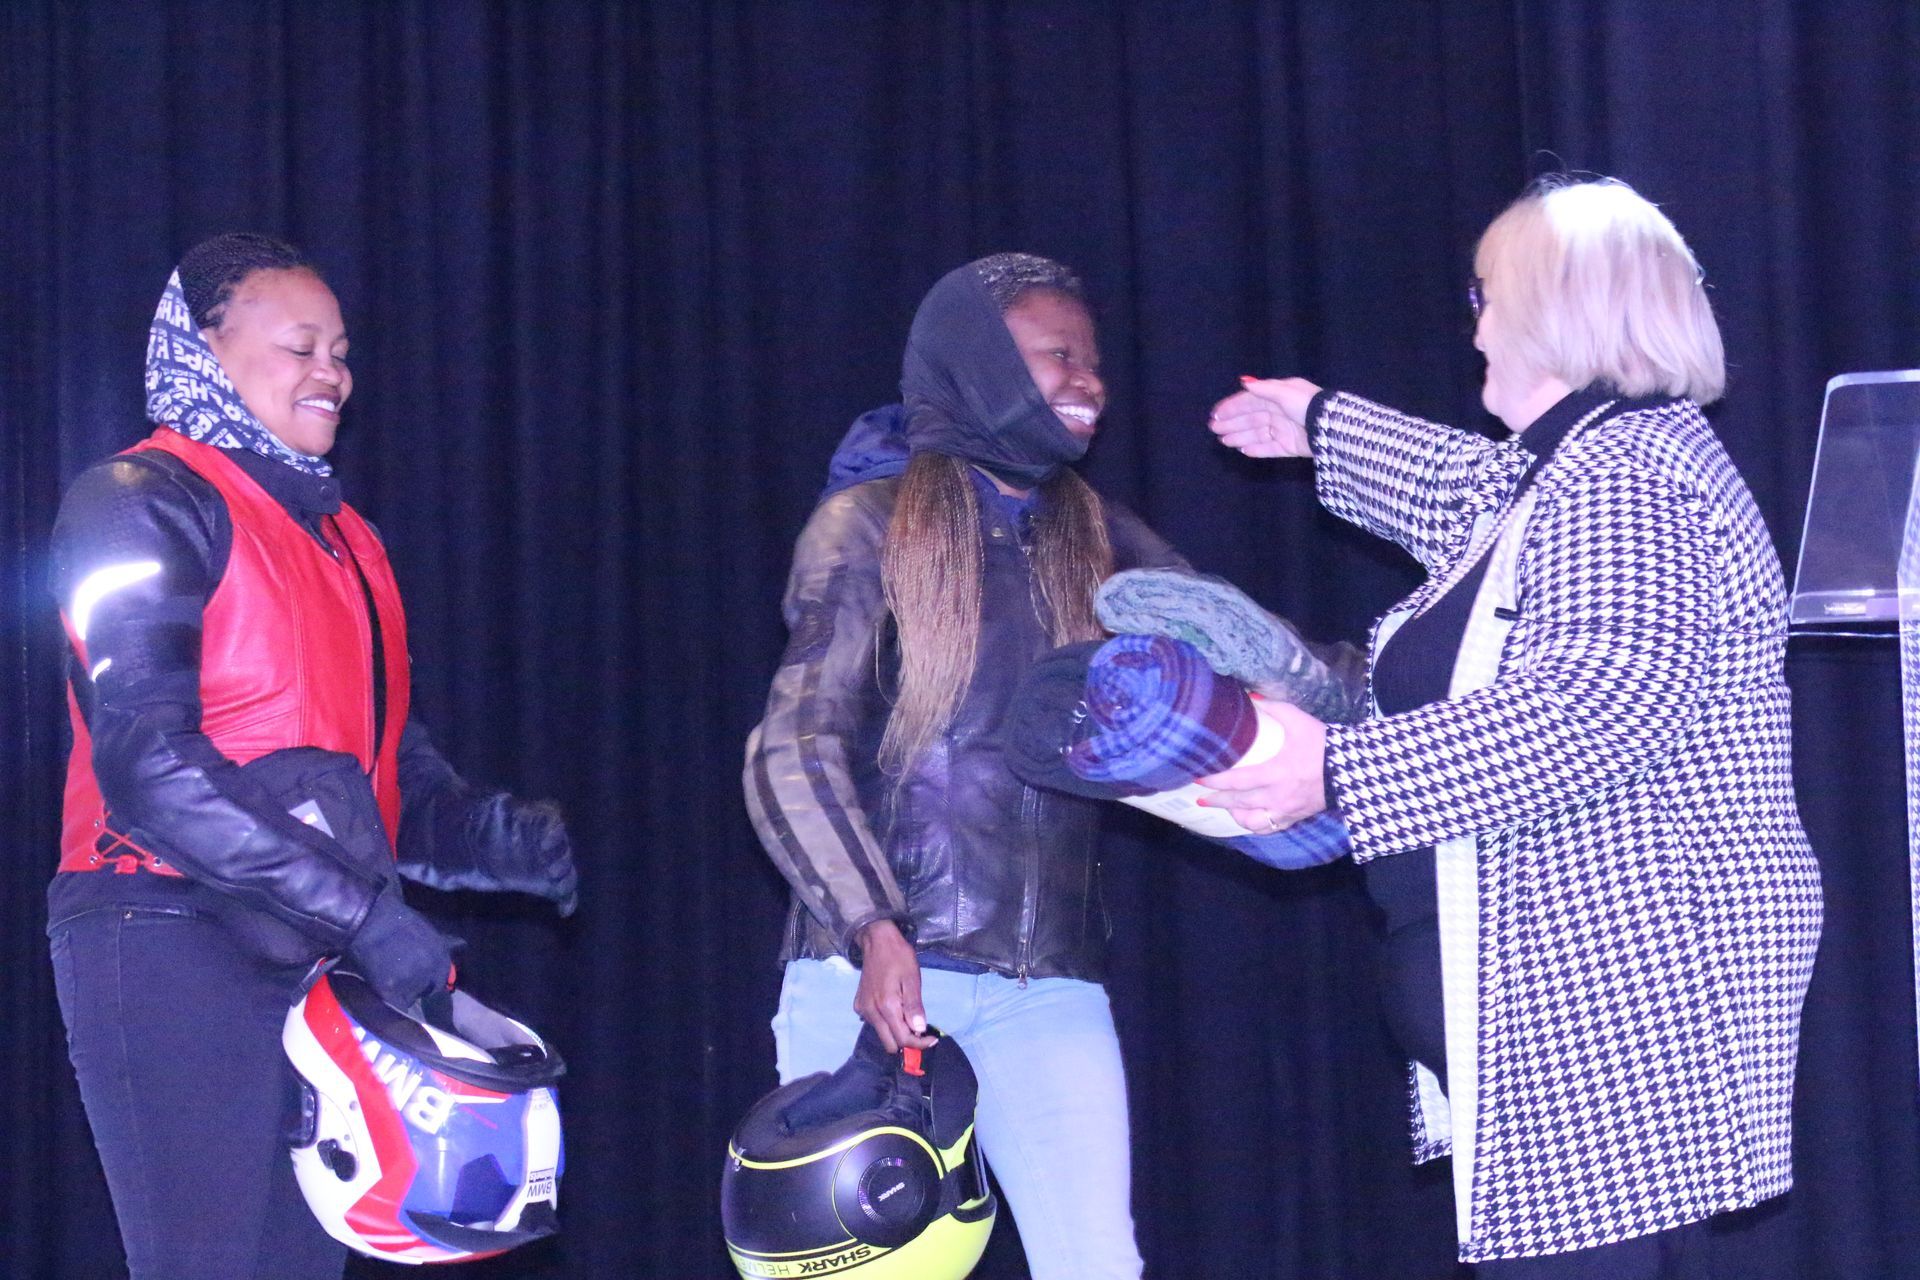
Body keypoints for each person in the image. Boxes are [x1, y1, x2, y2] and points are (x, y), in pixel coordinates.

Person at [1203, 176, 1824, 1277]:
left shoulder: (1628, 475)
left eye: (1485, 298)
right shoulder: (1578, 467)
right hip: (1588, 1007)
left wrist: (1341, 774)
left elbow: (1594, 706)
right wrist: (1320, 422)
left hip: (1622, 1002)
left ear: (1552, 309)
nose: (1476, 328)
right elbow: (1464, 489)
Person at [48, 233, 578, 1280]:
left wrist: (487, 838)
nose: (332, 372)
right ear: (203, 350)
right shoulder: (136, 498)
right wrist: (367, 917)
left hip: (312, 942)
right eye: (300, 348)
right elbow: (148, 766)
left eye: (340, 352)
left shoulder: (348, 540)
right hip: (163, 927)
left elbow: (377, 772)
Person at [743, 253, 1202, 1278]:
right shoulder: (866, 526)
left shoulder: (1100, 538)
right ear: (980, 363)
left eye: (1093, 360)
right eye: (1057, 355)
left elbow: (1249, 654)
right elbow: (792, 745)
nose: (1089, 381)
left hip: (1048, 986)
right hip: (871, 974)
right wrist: (872, 923)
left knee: (1098, 1264)